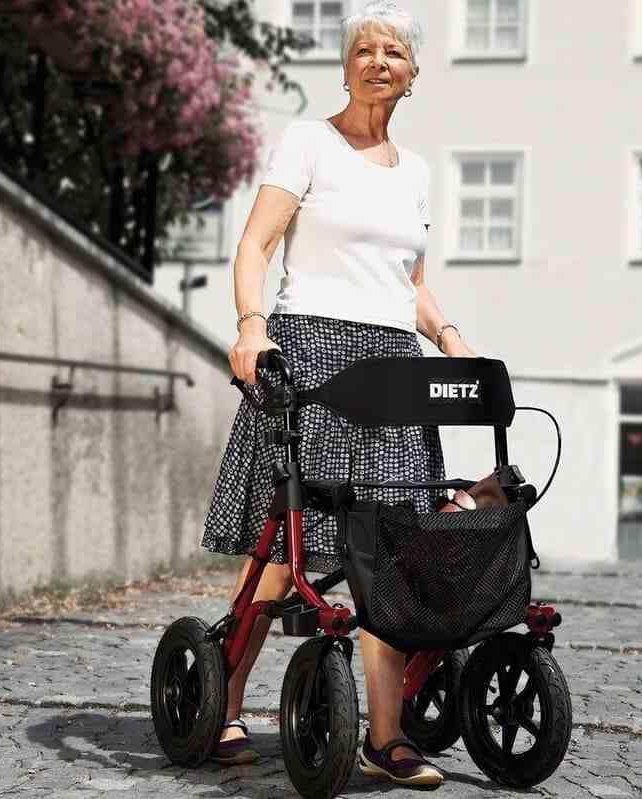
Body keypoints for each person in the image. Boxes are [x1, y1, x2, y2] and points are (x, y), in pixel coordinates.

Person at [200, 0, 476, 787]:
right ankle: (223, 703)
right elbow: (256, 243)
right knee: (285, 548)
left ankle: (385, 738)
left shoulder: (416, 172)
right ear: (346, 65)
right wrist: (251, 326)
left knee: (388, 553)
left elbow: (407, 282)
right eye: (365, 49)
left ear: (412, 75)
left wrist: (448, 334)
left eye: (394, 52)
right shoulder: (309, 142)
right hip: (312, 353)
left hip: (393, 366)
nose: (379, 61)